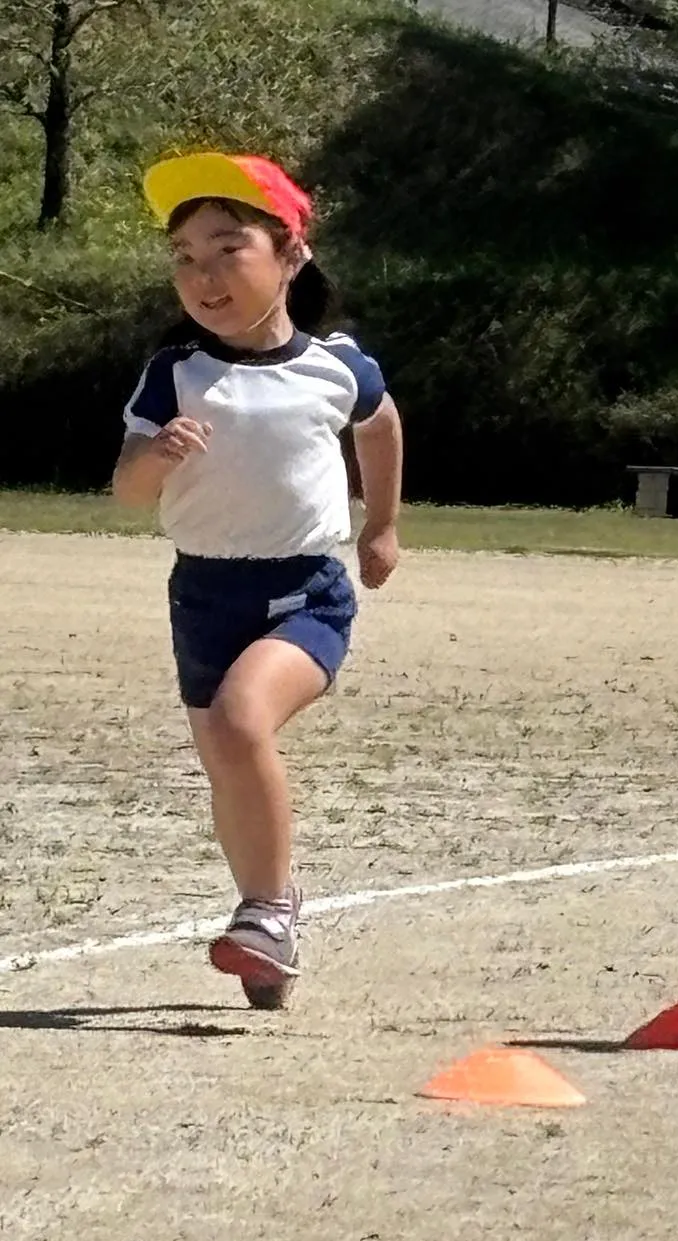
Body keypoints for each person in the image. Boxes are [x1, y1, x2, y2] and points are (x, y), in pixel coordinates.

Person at [112, 152, 403, 1010]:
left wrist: (381, 524)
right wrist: (156, 458)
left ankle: (270, 911)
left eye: (227, 249)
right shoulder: (174, 371)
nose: (203, 275)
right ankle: (266, 924)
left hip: (304, 592)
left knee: (242, 720)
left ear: (289, 254)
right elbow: (126, 489)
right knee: (228, 763)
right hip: (202, 596)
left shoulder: (337, 366)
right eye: (185, 258)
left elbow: (380, 426)